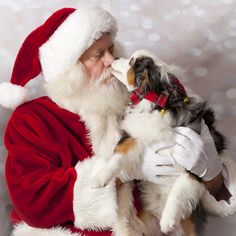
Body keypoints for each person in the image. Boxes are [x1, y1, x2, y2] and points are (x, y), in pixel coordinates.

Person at [0, 6, 236, 236]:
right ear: (70, 69)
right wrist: (122, 170)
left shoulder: (140, 100)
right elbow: (33, 201)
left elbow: (206, 194)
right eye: (98, 54)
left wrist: (211, 172)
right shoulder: (32, 120)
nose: (111, 60)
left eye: (111, 49)